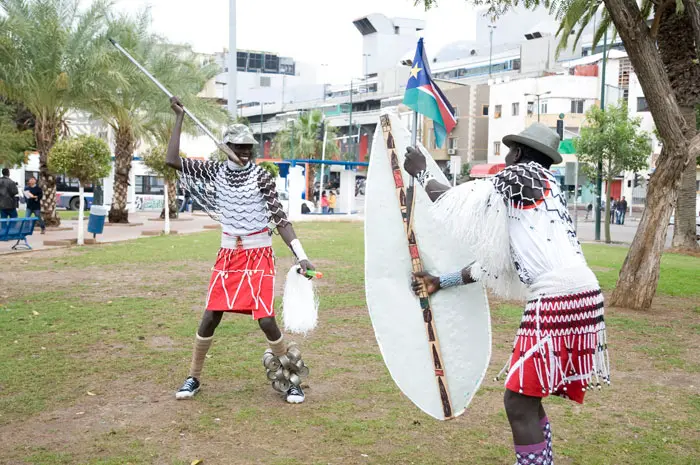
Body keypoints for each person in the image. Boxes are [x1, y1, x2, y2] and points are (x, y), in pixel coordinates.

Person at [405, 123, 609, 465]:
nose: (506, 158)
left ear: (517, 153)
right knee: (528, 398)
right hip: (581, 297)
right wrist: (443, 280)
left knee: (518, 401)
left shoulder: (524, 176)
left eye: (508, 152)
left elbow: (454, 202)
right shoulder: (540, 195)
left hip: (559, 298)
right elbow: (497, 263)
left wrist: (421, 172)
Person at [166, 96, 315, 404]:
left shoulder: (262, 176)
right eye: (239, 147)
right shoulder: (214, 172)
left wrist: (301, 255)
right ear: (226, 146)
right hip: (228, 255)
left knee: (265, 319)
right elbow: (172, 160)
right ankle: (193, 377)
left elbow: (280, 218)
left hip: (259, 253)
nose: (245, 152)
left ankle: (291, 379)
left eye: (249, 148)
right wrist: (179, 117)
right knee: (211, 315)